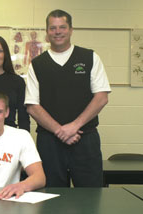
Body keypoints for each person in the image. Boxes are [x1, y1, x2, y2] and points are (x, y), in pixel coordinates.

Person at [25, 9, 111, 187]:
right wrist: (60, 131)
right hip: (50, 143)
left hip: (85, 140)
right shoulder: (37, 64)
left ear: (71, 29)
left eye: (62, 27)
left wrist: (73, 126)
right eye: (53, 28)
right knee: (51, 198)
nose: (58, 32)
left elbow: (101, 97)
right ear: (47, 32)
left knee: (91, 196)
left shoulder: (90, 58)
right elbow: (32, 106)